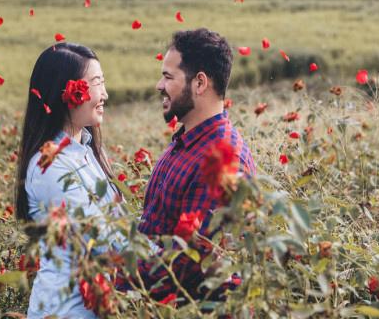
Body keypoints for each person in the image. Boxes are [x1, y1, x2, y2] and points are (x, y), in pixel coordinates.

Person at [116, 28, 256, 302]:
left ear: (200, 83)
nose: (159, 85)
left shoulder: (221, 160)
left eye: (168, 77)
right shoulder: (186, 141)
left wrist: (112, 272)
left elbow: (188, 263)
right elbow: (156, 230)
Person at [14, 42, 120, 319]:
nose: (105, 94)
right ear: (69, 93)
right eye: (96, 83)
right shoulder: (50, 166)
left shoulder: (85, 150)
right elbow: (100, 239)